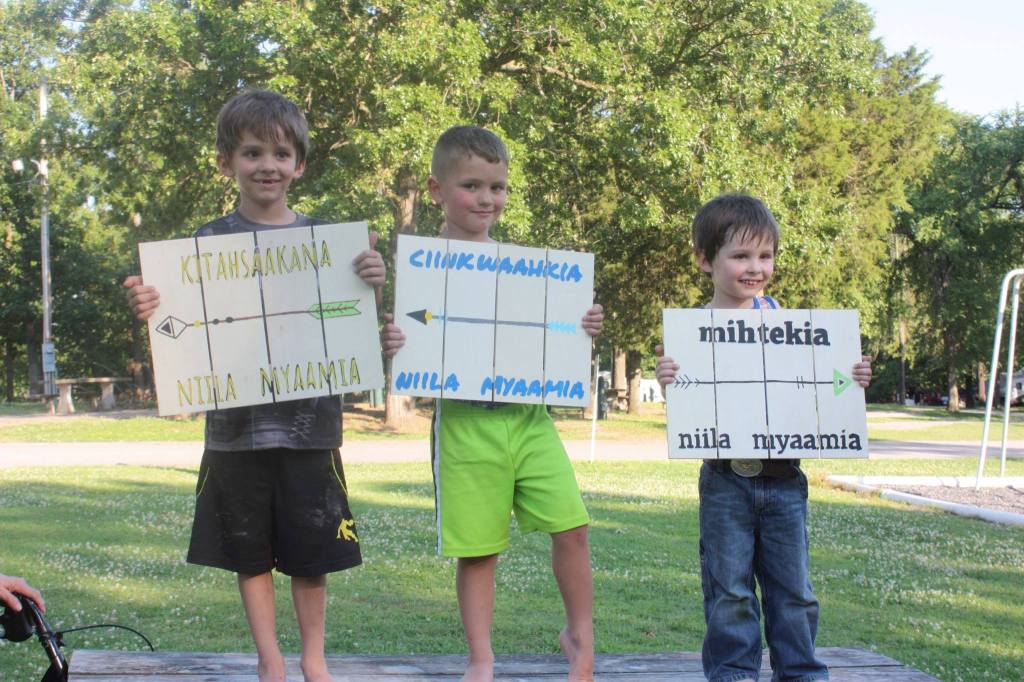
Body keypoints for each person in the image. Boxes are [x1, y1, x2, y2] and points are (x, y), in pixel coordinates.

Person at [123, 89, 385, 682]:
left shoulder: (330, 244)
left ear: (300, 164)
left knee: (312, 553)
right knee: (252, 552)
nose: (267, 164)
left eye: (281, 153)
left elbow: (352, 318)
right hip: (234, 432)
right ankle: (270, 662)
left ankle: (313, 660)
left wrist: (372, 276)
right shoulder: (203, 244)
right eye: (251, 152)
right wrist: (148, 305)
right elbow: (176, 326)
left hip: (311, 427)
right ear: (227, 163)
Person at [381, 125, 603, 682]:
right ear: (435, 190)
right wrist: (393, 341)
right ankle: (481, 658)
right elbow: (407, 338)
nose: (487, 200)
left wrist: (582, 326)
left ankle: (580, 635)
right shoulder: (419, 271)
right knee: (478, 549)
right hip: (462, 426)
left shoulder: (525, 267)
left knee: (572, 527)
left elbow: (551, 334)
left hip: (529, 420)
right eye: (472, 186)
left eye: (498, 188)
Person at [655, 193, 871, 682]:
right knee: (728, 590)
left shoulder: (786, 322)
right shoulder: (690, 333)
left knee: (793, 589)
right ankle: (733, 673)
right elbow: (691, 411)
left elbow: (824, 388)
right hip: (725, 482)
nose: (755, 268)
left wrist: (851, 375)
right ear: (705, 260)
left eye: (765, 256)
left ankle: (800, 672)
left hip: (785, 480)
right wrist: (669, 377)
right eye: (740, 256)